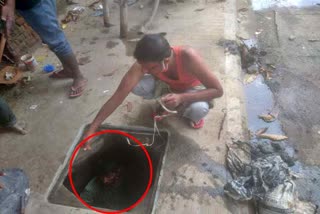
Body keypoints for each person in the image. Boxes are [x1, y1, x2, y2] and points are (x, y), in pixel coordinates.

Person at [84, 34, 223, 149]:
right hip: (168, 86)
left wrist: (182, 97)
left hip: (191, 89)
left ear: (166, 61)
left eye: (150, 68)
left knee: (198, 109)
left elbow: (218, 91)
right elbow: (118, 96)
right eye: (143, 67)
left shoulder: (188, 57)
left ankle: (185, 112)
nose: (144, 71)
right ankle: (168, 104)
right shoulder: (146, 63)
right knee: (135, 85)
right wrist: (93, 128)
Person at [1, 0, 87, 98]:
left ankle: (78, 77)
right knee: (51, 38)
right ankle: (68, 70)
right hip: (27, 5)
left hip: (34, 3)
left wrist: (9, 4)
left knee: (57, 41)